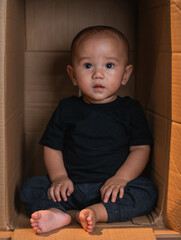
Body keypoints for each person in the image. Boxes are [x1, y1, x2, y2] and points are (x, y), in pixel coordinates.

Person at [20, 25, 158, 234]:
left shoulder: (130, 109)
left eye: (109, 65)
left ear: (125, 74)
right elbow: (52, 147)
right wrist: (58, 177)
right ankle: (58, 213)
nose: (98, 74)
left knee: (147, 191)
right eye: (87, 66)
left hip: (112, 190)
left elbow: (140, 149)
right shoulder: (67, 108)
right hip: (70, 188)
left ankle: (98, 212)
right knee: (30, 187)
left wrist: (121, 178)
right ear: (72, 74)